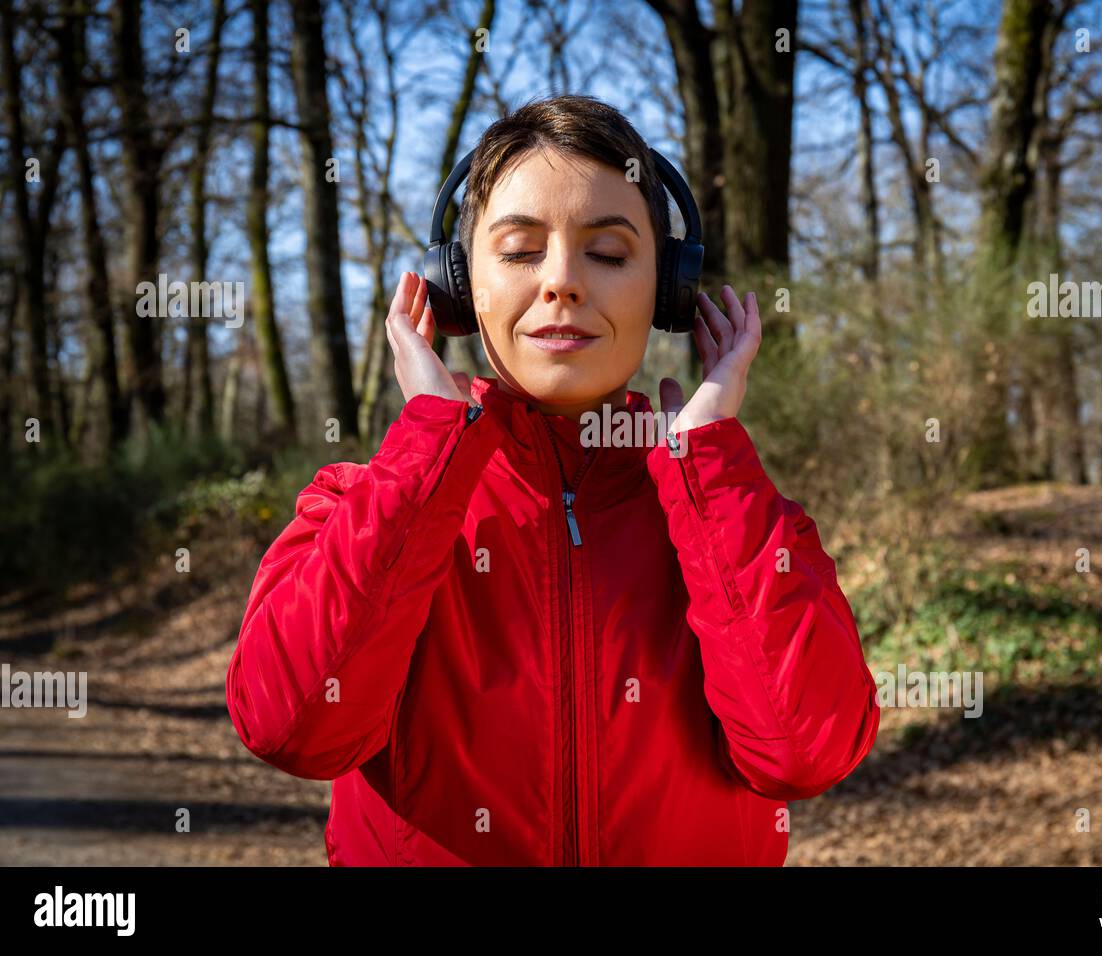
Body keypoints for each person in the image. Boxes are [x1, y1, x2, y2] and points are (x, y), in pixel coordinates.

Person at [225, 93, 880, 866]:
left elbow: (806, 753)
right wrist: (429, 450)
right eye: (519, 250)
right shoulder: (359, 505)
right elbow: (292, 728)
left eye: (607, 253)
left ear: (669, 290)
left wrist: (709, 467)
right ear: (459, 286)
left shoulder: (739, 520)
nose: (563, 281)